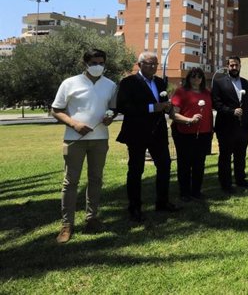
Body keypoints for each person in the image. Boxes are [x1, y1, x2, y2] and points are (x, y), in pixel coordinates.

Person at [51, 48, 117, 243]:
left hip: (100, 139)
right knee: (70, 182)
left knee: (96, 179)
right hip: (74, 139)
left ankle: (92, 218)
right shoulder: (70, 83)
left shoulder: (111, 85)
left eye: (102, 63)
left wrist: (109, 118)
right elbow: (56, 110)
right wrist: (74, 124)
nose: (98, 66)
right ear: (85, 64)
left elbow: (112, 110)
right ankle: (67, 225)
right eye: (94, 63)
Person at [116, 51, 178, 222]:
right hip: (136, 133)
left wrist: (166, 107)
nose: (153, 67)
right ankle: (135, 207)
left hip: (158, 133)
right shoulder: (128, 82)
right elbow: (123, 107)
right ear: (139, 64)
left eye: (155, 64)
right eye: (149, 64)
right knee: (136, 170)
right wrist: (153, 108)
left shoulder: (160, 82)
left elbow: (162, 104)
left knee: (165, 166)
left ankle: (162, 202)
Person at [212, 56, 248, 192]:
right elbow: (216, 103)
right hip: (226, 126)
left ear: (240, 66)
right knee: (225, 156)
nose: (234, 68)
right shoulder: (219, 82)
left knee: (240, 155)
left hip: (243, 127)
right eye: (231, 65)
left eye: (236, 65)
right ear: (227, 66)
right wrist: (231, 111)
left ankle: (240, 179)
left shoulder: (247, 83)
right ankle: (225, 184)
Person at [170, 67, 213, 202]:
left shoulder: (207, 93)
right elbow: (173, 114)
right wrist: (189, 120)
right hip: (185, 134)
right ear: (188, 78)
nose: (196, 79)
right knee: (185, 164)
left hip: (204, 134)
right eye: (193, 76)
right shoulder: (181, 92)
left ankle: (196, 191)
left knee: (199, 164)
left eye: (199, 76)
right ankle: (184, 193)